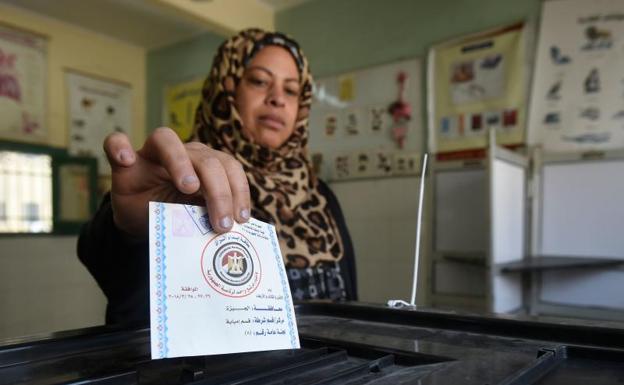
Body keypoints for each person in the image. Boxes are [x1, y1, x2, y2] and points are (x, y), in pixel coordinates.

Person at [78, 28, 357, 325]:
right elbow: (115, 273)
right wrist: (130, 230)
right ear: (226, 88)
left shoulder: (320, 195)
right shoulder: (180, 181)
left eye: (291, 89)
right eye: (260, 81)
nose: (277, 98)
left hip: (332, 371)